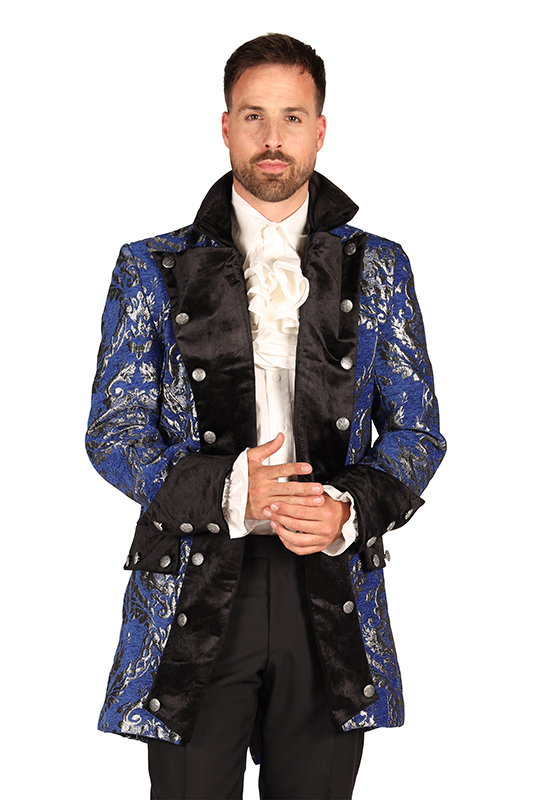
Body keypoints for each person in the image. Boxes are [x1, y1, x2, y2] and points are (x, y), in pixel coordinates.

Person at [86, 33, 446, 800]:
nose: (272, 138)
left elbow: (416, 433)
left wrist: (346, 507)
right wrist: (225, 489)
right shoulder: (149, 267)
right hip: (194, 589)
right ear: (226, 127)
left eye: (292, 117)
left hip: (330, 592)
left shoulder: (379, 267)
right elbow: (114, 431)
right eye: (254, 116)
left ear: (320, 129)